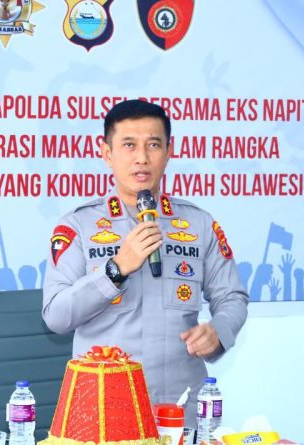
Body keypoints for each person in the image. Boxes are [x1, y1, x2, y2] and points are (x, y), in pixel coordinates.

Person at [42, 99, 249, 424]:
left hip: (180, 407)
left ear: (168, 152)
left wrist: (218, 332)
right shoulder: (77, 226)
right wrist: (115, 270)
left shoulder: (198, 223)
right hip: (105, 410)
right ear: (107, 153)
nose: (142, 158)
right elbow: (55, 316)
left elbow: (232, 297)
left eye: (153, 145)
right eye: (129, 145)